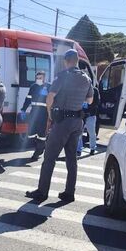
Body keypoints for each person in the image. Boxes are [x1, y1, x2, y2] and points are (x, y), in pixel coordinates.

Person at [25, 49, 93, 202]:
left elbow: (50, 96)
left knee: (49, 158)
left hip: (62, 121)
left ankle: (42, 192)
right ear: (77, 60)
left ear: (65, 61)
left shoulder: (62, 76)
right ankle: (69, 193)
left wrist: (49, 115)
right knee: (71, 159)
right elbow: (89, 101)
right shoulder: (86, 78)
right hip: (77, 122)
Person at [21, 71, 50, 160]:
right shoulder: (33, 87)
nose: (38, 80)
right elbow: (28, 99)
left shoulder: (48, 86)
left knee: (41, 133)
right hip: (34, 112)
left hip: (44, 113)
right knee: (31, 132)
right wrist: (23, 109)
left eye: (40, 78)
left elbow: (52, 99)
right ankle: (40, 146)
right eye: (37, 78)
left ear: (44, 78)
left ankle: (38, 152)